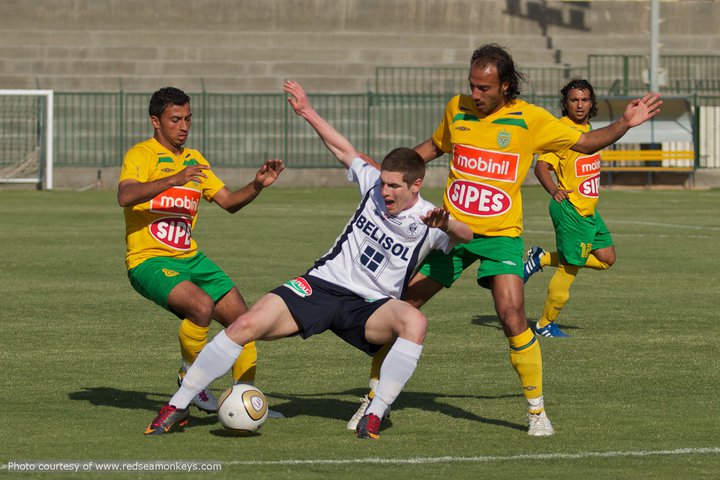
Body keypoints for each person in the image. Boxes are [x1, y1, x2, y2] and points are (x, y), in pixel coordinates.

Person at [349, 44, 661, 437]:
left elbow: (583, 143)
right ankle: (374, 400)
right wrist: (389, 170)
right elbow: (432, 148)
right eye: (472, 86)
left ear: (506, 85)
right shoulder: (457, 108)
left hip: (501, 236)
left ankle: (536, 412)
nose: (475, 95)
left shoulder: (531, 119)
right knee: (400, 307)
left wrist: (625, 124)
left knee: (512, 315)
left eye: (484, 88)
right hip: (450, 234)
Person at [144, 80, 473, 439]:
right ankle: (176, 406)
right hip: (321, 285)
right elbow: (342, 149)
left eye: (394, 186)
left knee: (415, 322)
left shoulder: (430, 218)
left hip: (370, 307)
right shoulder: (373, 187)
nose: (385, 192)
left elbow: (467, 236)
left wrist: (450, 223)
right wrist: (307, 112)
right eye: (383, 183)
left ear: (416, 185)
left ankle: (375, 414)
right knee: (243, 324)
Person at [118, 87, 285, 424]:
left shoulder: (196, 160)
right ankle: (192, 383)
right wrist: (174, 179)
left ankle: (247, 401)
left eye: (188, 119)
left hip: (191, 259)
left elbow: (228, 202)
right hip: (149, 260)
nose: (184, 126)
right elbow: (126, 195)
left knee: (245, 323)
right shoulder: (142, 155)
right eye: (175, 119)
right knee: (200, 306)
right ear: (156, 121)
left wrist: (256, 185)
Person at [523, 79, 616, 338]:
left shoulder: (589, 130)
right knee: (569, 268)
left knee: (607, 258)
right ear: (565, 102)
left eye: (585, 100)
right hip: (570, 208)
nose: (579, 104)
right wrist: (554, 190)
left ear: (592, 103)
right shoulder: (560, 130)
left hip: (589, 211)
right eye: (574, 99)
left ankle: (541, 258)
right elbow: (542, 166)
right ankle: (543, 324)